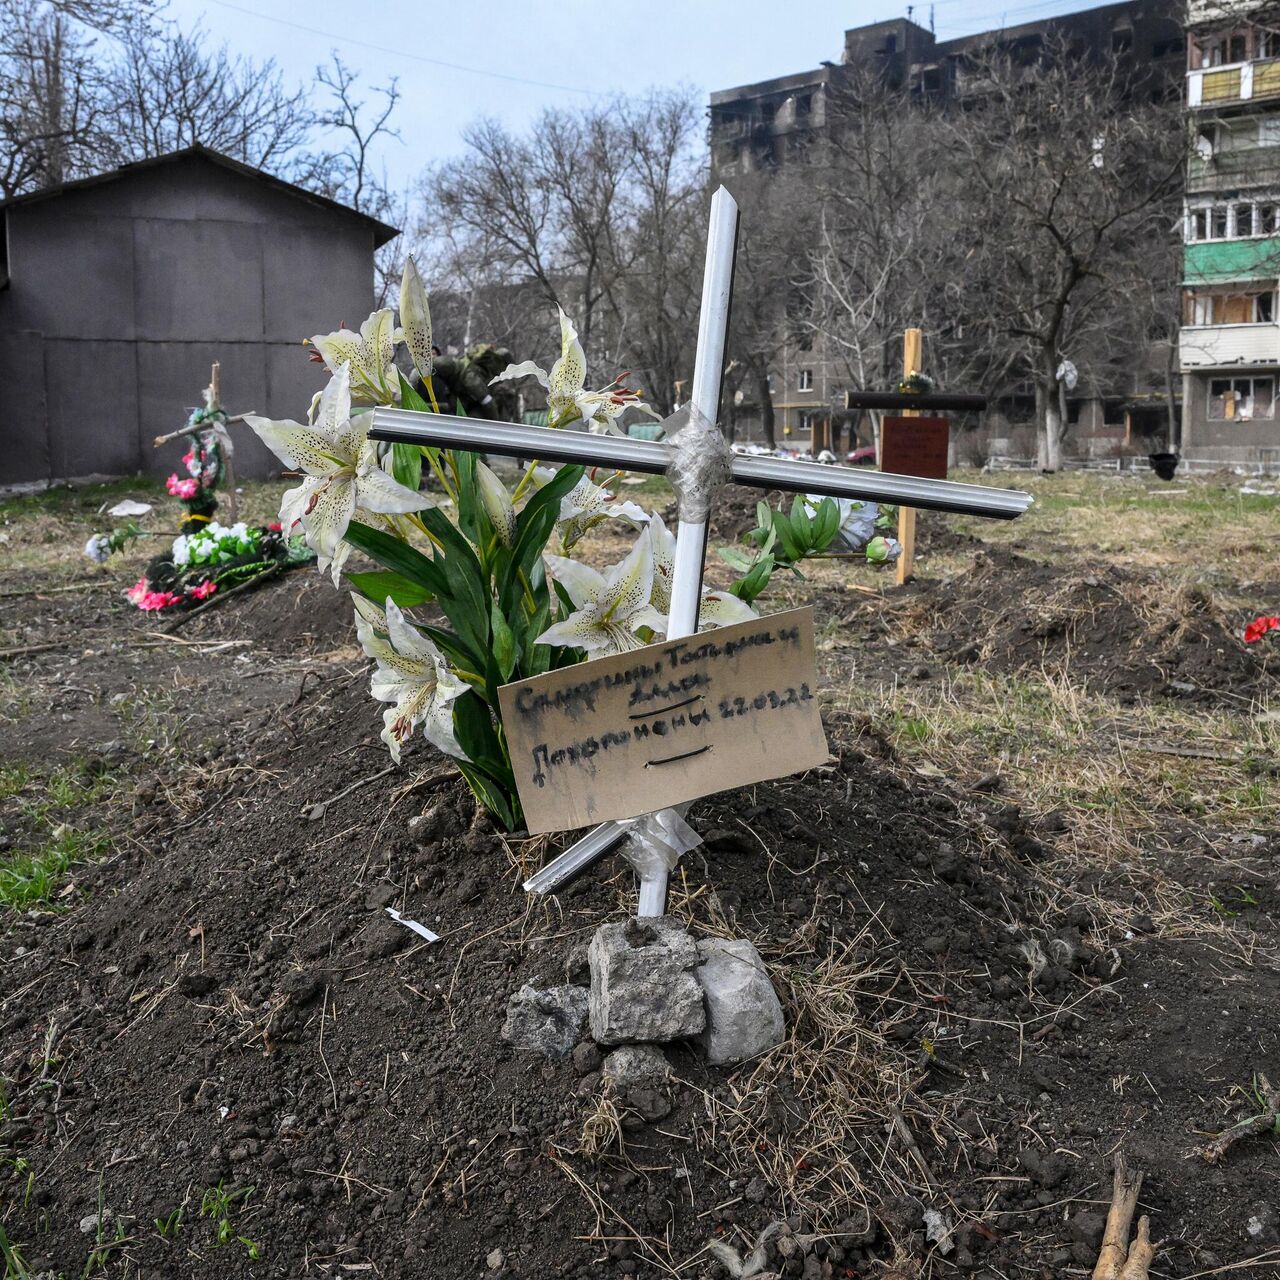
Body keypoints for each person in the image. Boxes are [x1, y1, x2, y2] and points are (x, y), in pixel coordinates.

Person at [413, 343, 517, 421]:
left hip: (433, 381)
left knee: (452, 409)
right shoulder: (477, 369)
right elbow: (471, 382)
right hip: (429, 377)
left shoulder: (483, 369)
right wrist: (487, 401)